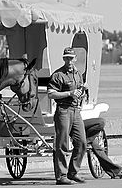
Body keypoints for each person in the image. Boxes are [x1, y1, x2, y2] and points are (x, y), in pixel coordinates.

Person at [47, 47, 87, 185]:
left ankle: (73, 173)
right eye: (67, 58)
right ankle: (61, 176)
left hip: (76, 111)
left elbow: (80, 89)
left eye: (71, 58)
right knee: (62, 144)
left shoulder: (78, 74)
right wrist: (69, 94)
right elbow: (51, 94)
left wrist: (81, 94)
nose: (69, 60)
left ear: (75, 58)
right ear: (64, 59)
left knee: (82, 143)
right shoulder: (58, 75)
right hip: (63, 110)